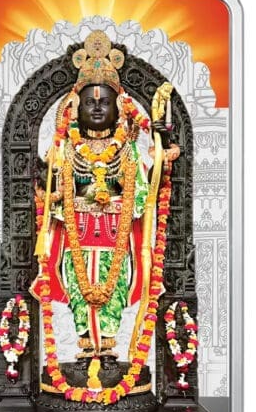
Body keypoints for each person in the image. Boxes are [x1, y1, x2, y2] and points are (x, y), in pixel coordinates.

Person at [31, 30, 179, 370]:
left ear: (118, 109)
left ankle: (108, 351)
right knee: (79, 290)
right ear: (76, 109)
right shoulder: (66, 149)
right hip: (78, 234)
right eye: (90, 102)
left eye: (104, 102)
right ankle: (86, 348)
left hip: (116, 234)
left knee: (114, 290)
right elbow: (55, 188)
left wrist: (159, 159)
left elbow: (141, 189)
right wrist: (52, 193)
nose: (97, 107)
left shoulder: (126, 150)